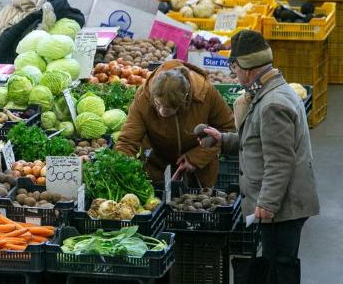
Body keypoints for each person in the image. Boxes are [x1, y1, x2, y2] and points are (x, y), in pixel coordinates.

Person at [200, 30, 319, 281]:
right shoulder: (268, 93)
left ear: (247, 68)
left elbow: (279, 161)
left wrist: (267, 203)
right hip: (282, 202)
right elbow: (260, 143)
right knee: (276, 264)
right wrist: (225, 140)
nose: (234, 73)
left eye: (235, 66)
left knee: (279, 267)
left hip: (283, 207)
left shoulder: (272, 104)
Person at [114, 60, 235, 187]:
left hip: (199, 174)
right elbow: (127, 141)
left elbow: (227, 129)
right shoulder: (143, 97)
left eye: (169, 108)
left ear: (185, 98)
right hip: (156, 169)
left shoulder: (205, 94)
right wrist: (120, 171)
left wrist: (196, 157)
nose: (161, 111)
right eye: (157, 104)